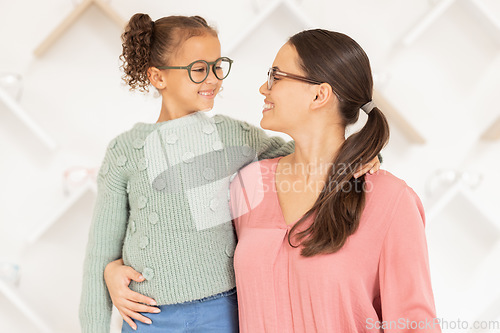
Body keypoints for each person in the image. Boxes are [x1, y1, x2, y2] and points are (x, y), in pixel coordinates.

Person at [79, 12, 383, 333]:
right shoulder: (125, 151)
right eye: (198, 69)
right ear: (158, 77)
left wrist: (359, 155)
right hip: (149, 317)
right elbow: (100, 253)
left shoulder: (235, 136)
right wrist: (110, 272)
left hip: (225, 313)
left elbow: (307, 157)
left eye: (217, 66)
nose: (213, 78)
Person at [229, 29, 441, 332]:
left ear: (319, 94)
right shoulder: (249, 184)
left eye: (276, 76)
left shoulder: (391, 200)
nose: (265, 87)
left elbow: (413, 324)